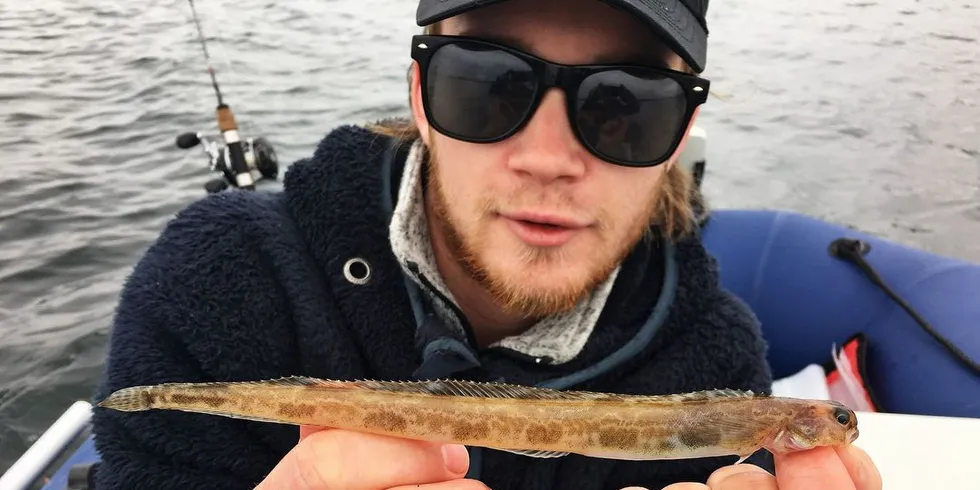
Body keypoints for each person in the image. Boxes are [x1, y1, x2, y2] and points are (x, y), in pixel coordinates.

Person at [90, 0, 882, 489]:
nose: (548, 158)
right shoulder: (217, 282)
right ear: (420, 97)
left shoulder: (721, 363)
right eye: (487, 82)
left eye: (625, 104)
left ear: (679, 136)